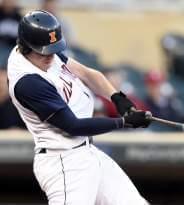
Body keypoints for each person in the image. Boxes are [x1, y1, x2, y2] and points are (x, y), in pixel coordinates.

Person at [7, 10, 151, 205]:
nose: (51, 56)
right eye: (44, 52)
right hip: (64, 163)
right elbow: (74, 126)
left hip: (87, 152)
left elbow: (86, 73)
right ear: (25, 47)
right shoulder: (28, 82)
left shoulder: (43, 51)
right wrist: (124, 122)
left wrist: (117, 98)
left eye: (53, 49)